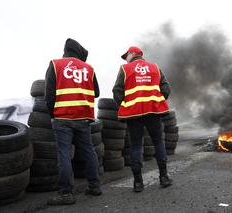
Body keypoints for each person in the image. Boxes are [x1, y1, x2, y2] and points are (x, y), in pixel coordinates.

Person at [45, 38, 102, 205]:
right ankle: (94, 186)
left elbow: (49, 95)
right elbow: (96, 92)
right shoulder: (89, 68)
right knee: (89, 151)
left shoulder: (55, 65)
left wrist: (52, 115)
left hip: (62, 117)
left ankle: (66, 194)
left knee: (64, 153)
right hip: (84, 117)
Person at [112, 46, 173, 192]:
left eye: (126, 55)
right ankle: (164, 177)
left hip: (133, 114)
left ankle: (138, 183)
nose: (126, 58)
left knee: (136, 147)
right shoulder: (154, 67)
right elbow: (166, 89)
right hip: (153, 112)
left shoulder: (125, 69)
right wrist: (157, 100)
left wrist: (126, 105)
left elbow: (117, 91)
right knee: (158, 143)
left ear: (133, 54)